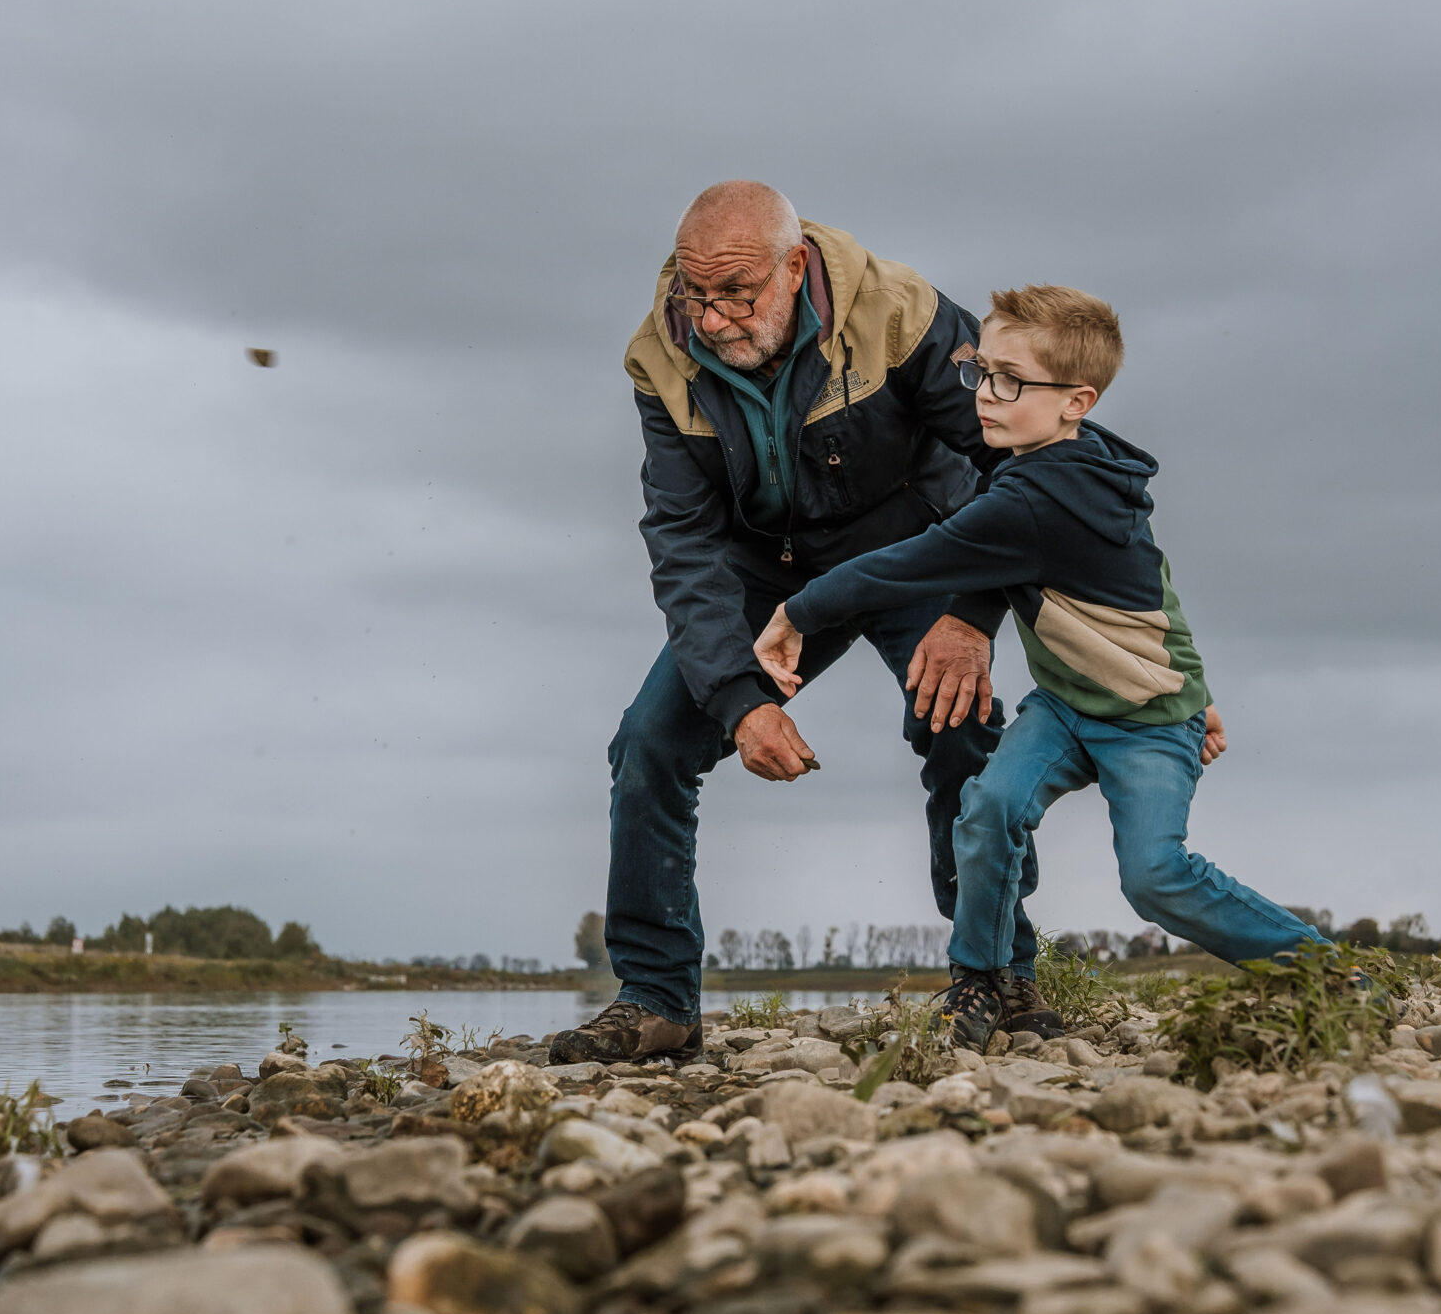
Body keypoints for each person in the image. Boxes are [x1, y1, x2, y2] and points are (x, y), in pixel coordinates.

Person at [549, 181, 1055, 1067]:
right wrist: (741, 700)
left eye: (737, 294)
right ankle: (659, 998)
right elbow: (683, 541)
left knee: (960, 722)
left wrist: (973, 616)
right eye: (695, 294)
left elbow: (1025, 462)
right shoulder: (661, 358)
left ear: (794, 269)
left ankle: (1001, 977)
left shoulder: (905, 315)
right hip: (767, 572)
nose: (711, 320)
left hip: (916, 549)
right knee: (650, 745)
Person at [755, 283, 1317, 1048]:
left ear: (1074, 401)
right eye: (981, 372)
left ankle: (1326, 972)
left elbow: (910, 563)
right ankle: (983, 980)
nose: (985, 396)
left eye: (1011, 381)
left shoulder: (1041, 496)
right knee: (988, 807)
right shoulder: (1070, 458)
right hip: (1062, 708)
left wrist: (795, 612)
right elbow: (1157, 588)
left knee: (1154, 878)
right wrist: (1202, 688)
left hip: (1147, 725)